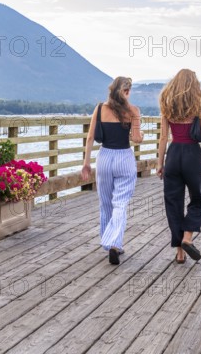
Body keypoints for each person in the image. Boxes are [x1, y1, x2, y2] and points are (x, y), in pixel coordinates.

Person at [82, 76, 144, 265]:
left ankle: (110, 243)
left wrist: (86, 163)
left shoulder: (100, 108)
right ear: (126, 91)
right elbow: (136, 139)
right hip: (124, 157)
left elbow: (91, 136)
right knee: (121, 203)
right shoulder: (133, 111)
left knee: (106, 203)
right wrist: (141, 134)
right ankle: (114, 243)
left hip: (105, 157)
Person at [157, 69, 201, 264]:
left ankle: (180, 252)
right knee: (197, 200)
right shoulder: (199, 106)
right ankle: (187, 237)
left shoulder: (166, 103)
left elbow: (163, 137)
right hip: (192, 154)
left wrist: (159, 163)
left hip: (173, 155)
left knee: (173, 204)